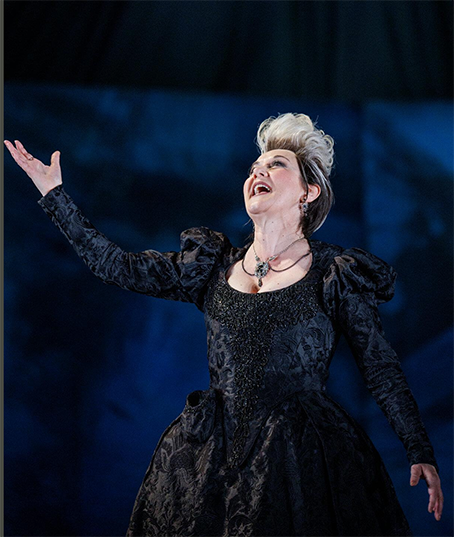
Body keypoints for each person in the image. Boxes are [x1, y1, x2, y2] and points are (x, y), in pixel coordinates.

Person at [4, 112, 444, 537]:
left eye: (276, 164)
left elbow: (380, 366)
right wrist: (54, 195)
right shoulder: (211, 266)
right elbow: (115, 266)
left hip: (297, 458)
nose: (258, 172)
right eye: (254, 167)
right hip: (210, 454)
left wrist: (418, 448)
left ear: (309, 192)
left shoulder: (334, 274)